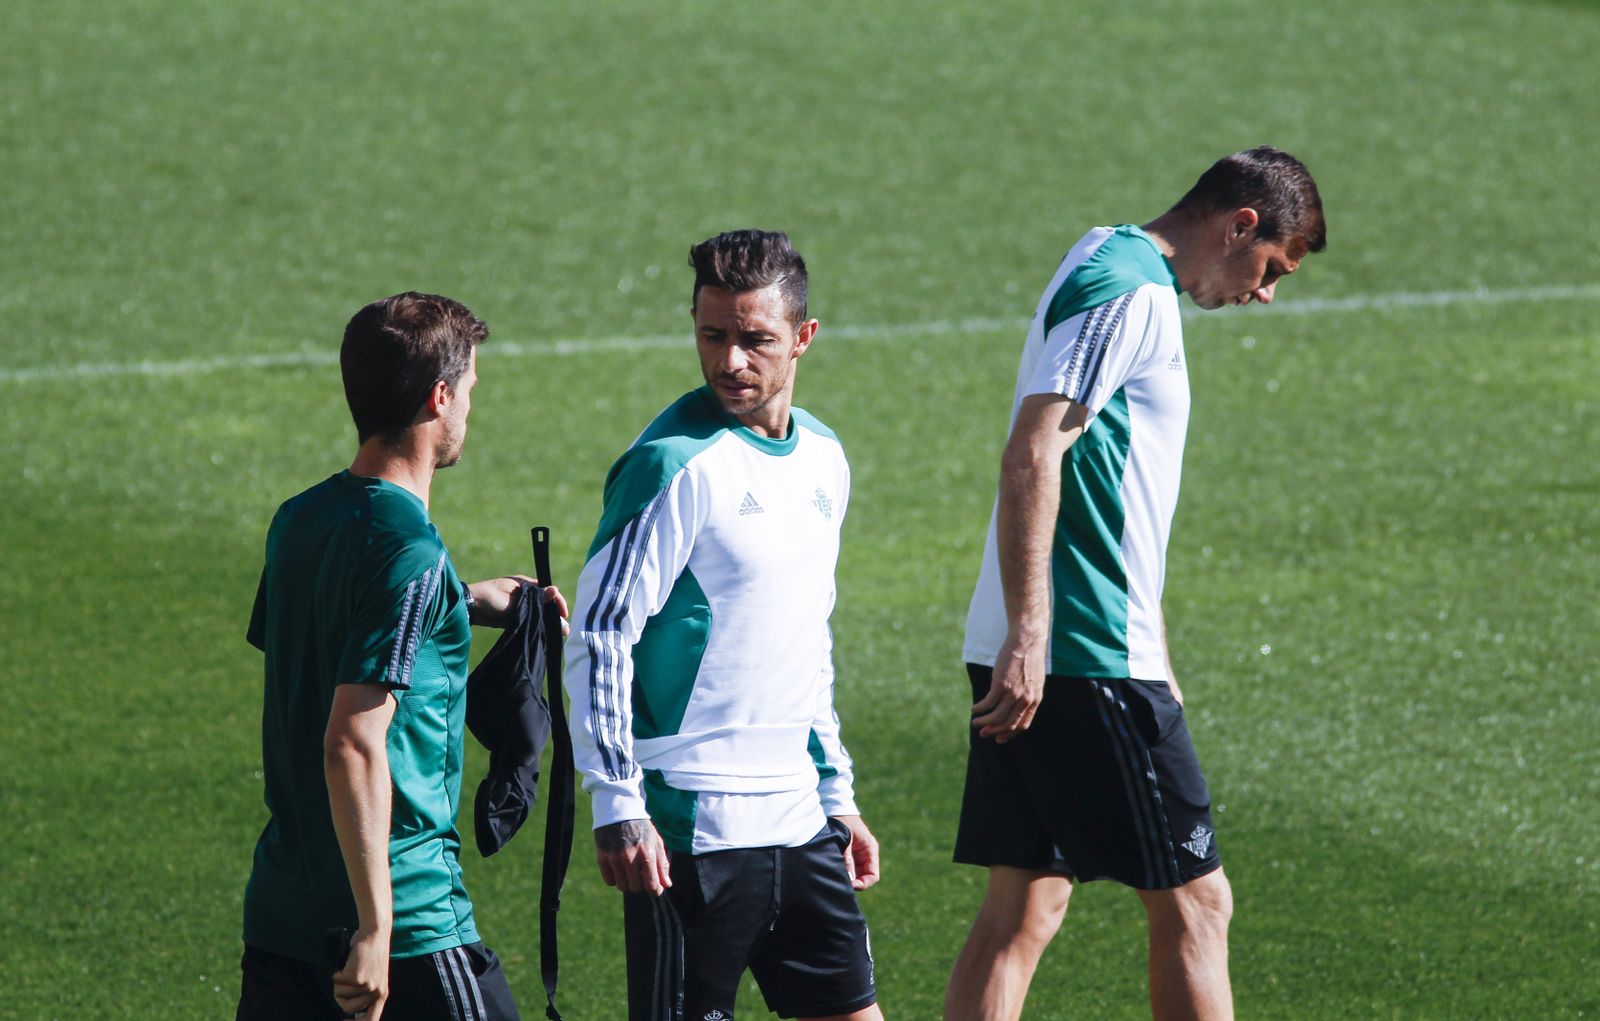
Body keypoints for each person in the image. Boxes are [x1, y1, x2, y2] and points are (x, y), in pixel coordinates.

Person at [945, 147, 1327, 1021]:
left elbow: (1107, 489)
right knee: (1197, 902)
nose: (1264, 293)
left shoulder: (1100, 254)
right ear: (1239, 225)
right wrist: (1035, 635)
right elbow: (1035, 452)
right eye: (1270, 267)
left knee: (1025, 904)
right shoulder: (1134, 292)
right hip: (1077, 652)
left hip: (1054, 640)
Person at [563, 230, 883, 1021]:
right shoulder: (673, 465)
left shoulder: (825, 460)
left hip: (800, 818)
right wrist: (615, 802)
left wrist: (836, 790)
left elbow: (805, 638)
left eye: (755, 339)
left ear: (803, 338)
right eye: (713, 336)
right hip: (691, 825)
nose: (731, 361)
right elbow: (600, 638)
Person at [236, 292, 565, 1021]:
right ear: (438, 396)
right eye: (470, 390)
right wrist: (375, 927)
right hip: (405, 917)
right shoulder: (411, 552)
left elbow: (328, 632)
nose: (471, 409)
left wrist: (466, 600)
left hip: (284, 914)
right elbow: (352, 739)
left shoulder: (298, 519)